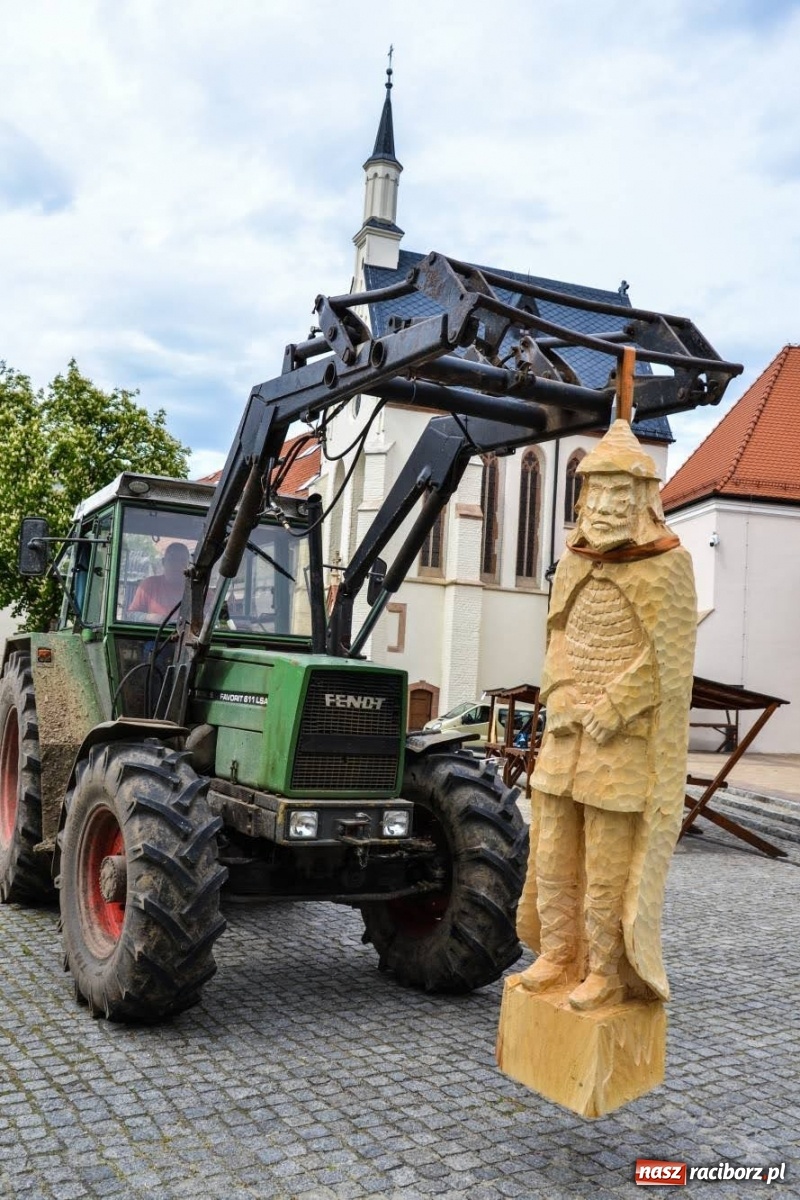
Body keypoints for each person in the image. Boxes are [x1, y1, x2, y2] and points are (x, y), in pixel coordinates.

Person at [516, 419, 696, 1011]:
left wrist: (617, 704)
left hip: (622, 746)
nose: (606, 504)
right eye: (597, 491)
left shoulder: (667, 564)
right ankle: (557, 953)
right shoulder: (573, 561)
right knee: (551, 853)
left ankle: (604, 970)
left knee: (606, 868)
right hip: (566, 737)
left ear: (643, 498)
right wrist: (562, 690)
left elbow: (670, 655)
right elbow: (557, 635)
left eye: (620, 492)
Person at [129, 541, 191, 618]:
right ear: (163, 562)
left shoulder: (197, 590)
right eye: (172, 560)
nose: (177, 565)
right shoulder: (149, 585)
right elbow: (131, 615)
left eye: (182, 561)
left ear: (189, 565)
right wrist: (149, 618)